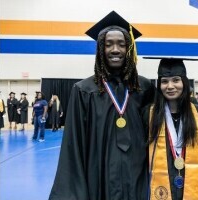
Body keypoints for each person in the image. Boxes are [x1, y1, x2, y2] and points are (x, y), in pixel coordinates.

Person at [49, 11, 155, 200]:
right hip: (98, 177)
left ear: (129, 49)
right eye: (109, 44)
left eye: (122, 44)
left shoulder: (143, 87)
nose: (116, 49)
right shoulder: (83, 90)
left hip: (137, 176)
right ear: (100, 49)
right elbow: (73, 147)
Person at [143, 57, 198, 200]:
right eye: (164, 81)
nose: (170, 86)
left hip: (192, 187)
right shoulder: (148, 114)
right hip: (159, 188)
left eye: (176, 80)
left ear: (184, 82)